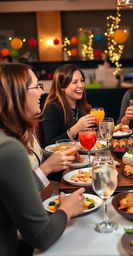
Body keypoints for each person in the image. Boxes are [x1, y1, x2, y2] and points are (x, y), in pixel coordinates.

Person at [0, 63, 85, 255]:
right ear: (18, 93)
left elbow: (31, 162)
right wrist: (67, 208)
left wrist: (60, 153)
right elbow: (41, 236)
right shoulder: (9, 148)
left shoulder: (22, 131)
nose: (42, 92)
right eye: (36, 86)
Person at [42, 64, 96, 147]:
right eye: (75, 82)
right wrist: (76, 128)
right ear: (62, 87)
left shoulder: (81, 106)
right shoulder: (52, 108)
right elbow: (49, 144)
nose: (81, 85)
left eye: (82, 80)